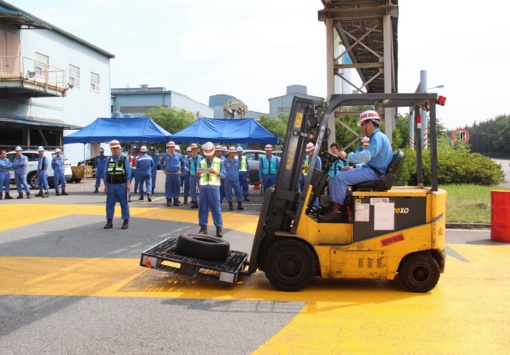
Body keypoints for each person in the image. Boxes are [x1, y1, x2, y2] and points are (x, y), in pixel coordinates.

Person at [320, 110, 393, 222]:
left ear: (369, 123)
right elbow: (372, 161)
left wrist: (348, 156)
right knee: (342, 174)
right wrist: (354, 167)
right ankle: (338, 205)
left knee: (340, 177)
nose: (362, 129)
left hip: (375, 173)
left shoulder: (377, 136)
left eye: (362, 125)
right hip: (374, 170)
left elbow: (368, 155)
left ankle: (336, 211)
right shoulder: (379, 136)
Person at [196, 141, 226, 237]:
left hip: (214, 188)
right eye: (207, 155)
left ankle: (219, 229)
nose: (208, 157)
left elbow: (224, 175)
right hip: (203, 188)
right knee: (202, 208)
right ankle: (203, 228)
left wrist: (216, 173)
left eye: (209, 155)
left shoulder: (220, 161)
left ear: (213, 152)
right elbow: (197, 174)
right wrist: (198, 173)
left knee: (216, 208)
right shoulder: (201, 162)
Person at [103, 140, 131, 229]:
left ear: (119, 149)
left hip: (122, 185)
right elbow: (105, 173)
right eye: (113, 149)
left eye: (116, 149)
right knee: (110, 204)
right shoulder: (109, 160)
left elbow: (128, 172)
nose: (114, 150)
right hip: (111, 185)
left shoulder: (124, 159)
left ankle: (125, 221)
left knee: (124, 203)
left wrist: (128, 184)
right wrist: (105, 185)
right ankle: (109, 221)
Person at [161, 141, 185, 206]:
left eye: (172, 147)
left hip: (176, 174)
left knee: (176, 187)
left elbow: (183, 162)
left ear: (174, 147)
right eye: (170, 147)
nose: (171, 148)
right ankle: (168, 200)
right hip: (169, 174)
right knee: (168, 187)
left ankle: (175, 200)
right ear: (168, 148)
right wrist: (164, 169)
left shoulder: (178, 155)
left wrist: (181, 170)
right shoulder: (165, 155)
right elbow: (161, 162)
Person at [224, 146, 245, 210]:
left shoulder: (237, 161)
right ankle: (230, 205)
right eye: (231, 153)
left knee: (238, 192)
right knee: (228, 192)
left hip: (236, 179)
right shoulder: (225, 161)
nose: (233, 154)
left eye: (234, 153)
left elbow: (238, 168)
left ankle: (239, 205)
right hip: (228, 180)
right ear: (229, 153)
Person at [188, 143, 202, 209]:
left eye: (195, 149)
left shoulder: (201, 158)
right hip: (192, 175)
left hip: (199, 176)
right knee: (192, 190)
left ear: (197, 150)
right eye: (193, 149)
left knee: (201, 189)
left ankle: (202, 202)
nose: (194, 150)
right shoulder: (190, 159)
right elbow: (188, 167)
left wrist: (201, 173)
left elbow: (203, 166)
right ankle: (195, 202)